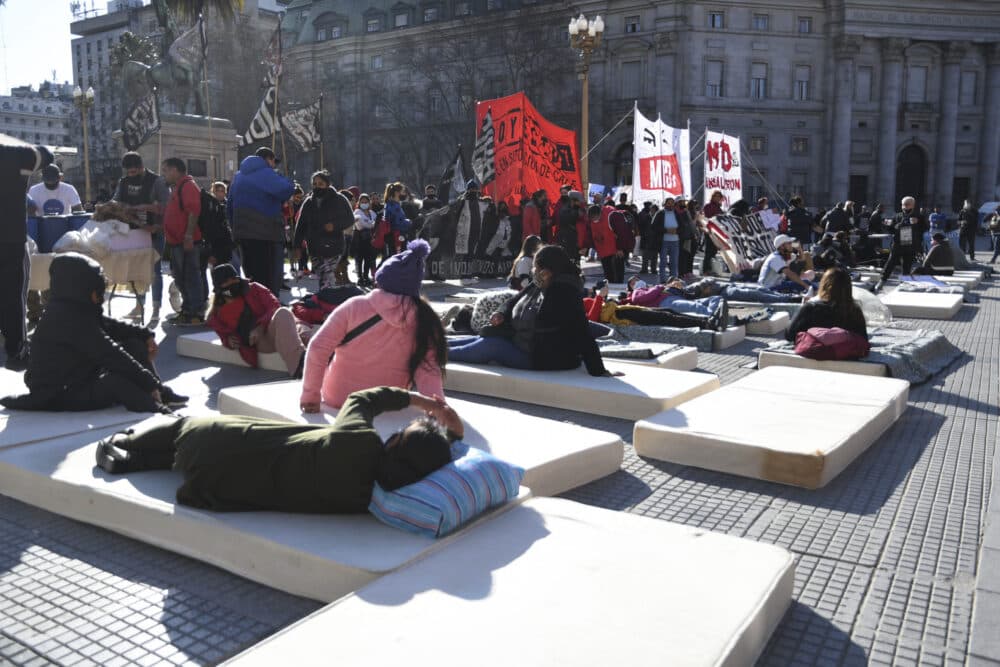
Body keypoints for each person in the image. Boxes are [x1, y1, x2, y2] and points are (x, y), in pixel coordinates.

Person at [94, 386, 462, 512]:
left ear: (396, 441)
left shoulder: (359, 443)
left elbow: (364, 398)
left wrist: (422, 405)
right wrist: (453, 439)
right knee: (198, 455)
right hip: (219, 487)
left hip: (213, 445)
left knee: (188, 426)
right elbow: (429, 459)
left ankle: (119, 445)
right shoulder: (381, 495)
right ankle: (141, 457)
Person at [0, 253, 186, 413]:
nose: (100, 296)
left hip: (76, 376)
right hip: (59, 392)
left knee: (134, 344)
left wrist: (145, 335)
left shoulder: (74, 308)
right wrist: (149, 383)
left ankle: (160, 393)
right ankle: (157, 407)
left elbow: (108, 325)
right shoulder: (67, 319)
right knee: (115, 382)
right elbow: (110, 354)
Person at [301, 239, 446, 411]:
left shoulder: (354, 306)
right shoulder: (424, 319)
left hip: (340, 398)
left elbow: (318, 348)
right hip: (389, 404)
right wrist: (437, 408)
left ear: (381, 279)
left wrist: (310, 396)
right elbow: (428, 370)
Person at [448, 245, 622, 377]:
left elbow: (582, 331)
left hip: (544, 356)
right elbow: (513, 301)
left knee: (490, 345)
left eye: (535, 267)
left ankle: (435, 352)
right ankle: (438, 345)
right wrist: (501, 313)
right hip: (523, 342)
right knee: (481, 338)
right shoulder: (540, 282)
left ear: (546, 272)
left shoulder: (565, 292)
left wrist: (599, 371)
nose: (533, 271)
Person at [0, 137, 52, 370]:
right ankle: (17, 349)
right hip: (10, 237)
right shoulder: (16, 154)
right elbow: (46, 154)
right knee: (13, 295)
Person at [206, 263, 304, 376]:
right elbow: (223, 336)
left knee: (297, 325)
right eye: (227, 281)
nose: (232, 282)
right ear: (219, 287)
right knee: (288, 317)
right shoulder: (216, 314)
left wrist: (260, 327)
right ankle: (300, 367)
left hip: (271, 328)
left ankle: (310, 364)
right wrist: (229, 341)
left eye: (234, 278)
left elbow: (274, 306)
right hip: (259, 343)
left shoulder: (254, 288)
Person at [111, 152, 170, 324]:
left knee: (155, 272)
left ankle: (157, 307)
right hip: (133, 232)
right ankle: (139, 305)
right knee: (136, 271)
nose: (131, 175)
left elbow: (168, 205)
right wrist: (119, 207)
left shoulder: (157, 181)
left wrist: (149, 207)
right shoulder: (123, 182)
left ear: (142, 167)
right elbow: (115, 200)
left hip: (154, 231)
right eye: (128, 172)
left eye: (135, 172)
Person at [228, 147, 295, 296]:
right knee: (270, 277)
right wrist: (282, 176)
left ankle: (254, 306)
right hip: (266, 234)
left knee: (252, 275)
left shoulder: (238, 176)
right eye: (273, 161)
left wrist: (235, 230)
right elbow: (287, 189)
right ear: (268, 159)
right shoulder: (267, 173)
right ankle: (269, 309)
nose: (274, 165)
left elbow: (229, 206)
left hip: (243, 233)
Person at [161, 157, 206, 326]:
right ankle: (187, 310)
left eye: (165, 170)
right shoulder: (177, 188)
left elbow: (193, 211)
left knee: (191, 277)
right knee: (181, 278)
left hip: (187, 243)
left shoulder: (188, 186)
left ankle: (195, 312)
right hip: (176, 243)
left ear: (174, 170)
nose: (163, 174)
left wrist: (188, 235)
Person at [291, 171, 354, 290]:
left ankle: (330, 303)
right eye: (314, 184)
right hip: (314, 247)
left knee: (328, 278)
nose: (317, 186)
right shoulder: (308, 202)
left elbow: (349, 219)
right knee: (322, 278)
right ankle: (325, 301)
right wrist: (297, 246)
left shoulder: (339, 199)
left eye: (320, 184)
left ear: (327, 184)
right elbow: (301, 226)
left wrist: (334, 225)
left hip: (333, 245)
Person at [786, 267, 868, 342]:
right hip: (845, 353)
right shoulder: (854, 310)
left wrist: (801, 309)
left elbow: (790, 335)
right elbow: (863, 338)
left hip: (816, 352)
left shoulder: (810, 308)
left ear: (824, 285)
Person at [876, 196, 921, 290]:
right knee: (890, 262)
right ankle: (882, 281)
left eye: (907, 205)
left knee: (907, 266)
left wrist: (917, 224)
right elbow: (891, 228)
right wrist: (888, 225)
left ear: (912, 205)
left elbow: (924, 228)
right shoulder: (898, 215)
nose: (904, 207)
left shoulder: (918, 216)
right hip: (898, 244)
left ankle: (904, 284)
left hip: (910, 245)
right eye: (903, 205)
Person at [588, 204, 619, 282]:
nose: (594, 219)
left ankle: (614, 284)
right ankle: (609, 282)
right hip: (602, 250)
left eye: (595, 217)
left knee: (614, 270)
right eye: (592, 218)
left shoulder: (610, 215)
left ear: (600, 214)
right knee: (607, 270)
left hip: (614, 249)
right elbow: (594, 235)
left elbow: (618, 232)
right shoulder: (592, 221)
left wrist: (619, 248)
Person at [352, 193, 377, 287]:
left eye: (366, 202)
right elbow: (362, 225)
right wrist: (371, 223)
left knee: (368, 258)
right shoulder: (357, 212)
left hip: (370, 240)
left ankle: (366, 277)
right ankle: (360, 278)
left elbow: (375, 223)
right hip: (359, 239)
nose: (364, 204)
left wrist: (370, 223)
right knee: (359, 259)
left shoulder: (372, 213)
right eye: (362, 202)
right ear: (359, 203)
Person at [653, 197, 680, 283]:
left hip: (675, 241)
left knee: (674, 262)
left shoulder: (677, 213)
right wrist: (666, 230)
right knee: (663, 262)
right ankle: (663, 280)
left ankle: (674, 280)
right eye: (669, 203)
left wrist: (677, 231)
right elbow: (654, 226)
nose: (671, 205)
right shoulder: (660, 213)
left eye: (672, 203)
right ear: (664, 204)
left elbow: (682, 226)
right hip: (663, 241)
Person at [701, 190, 725, 275]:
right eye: (716, 196)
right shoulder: (708, 206)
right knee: (708, 251)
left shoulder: (719, 208)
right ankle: (706, 270)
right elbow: (707, 218)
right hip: (710, 232)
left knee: (714, 251)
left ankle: (712, 269)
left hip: (717, 233)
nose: (717, 198)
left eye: (719, 197)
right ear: (712, 197)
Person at [558, 190, 585, 263]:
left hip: (575, 241)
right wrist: (577, 212)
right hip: (568, 241)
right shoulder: (564, 210)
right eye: (579, 201)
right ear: (573, 201)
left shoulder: (576, 209)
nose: (581, 203)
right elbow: (567, 220)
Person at [637, 202, 658, 275]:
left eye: (654, 210)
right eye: (651, 209)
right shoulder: (646, 217)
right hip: (646, 239)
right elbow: (641, 227)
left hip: (655, 239)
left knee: (654, 256)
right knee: (645, 256)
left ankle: (653, 269)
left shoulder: (658, 218)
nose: (652, 211)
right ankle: (644, 269)